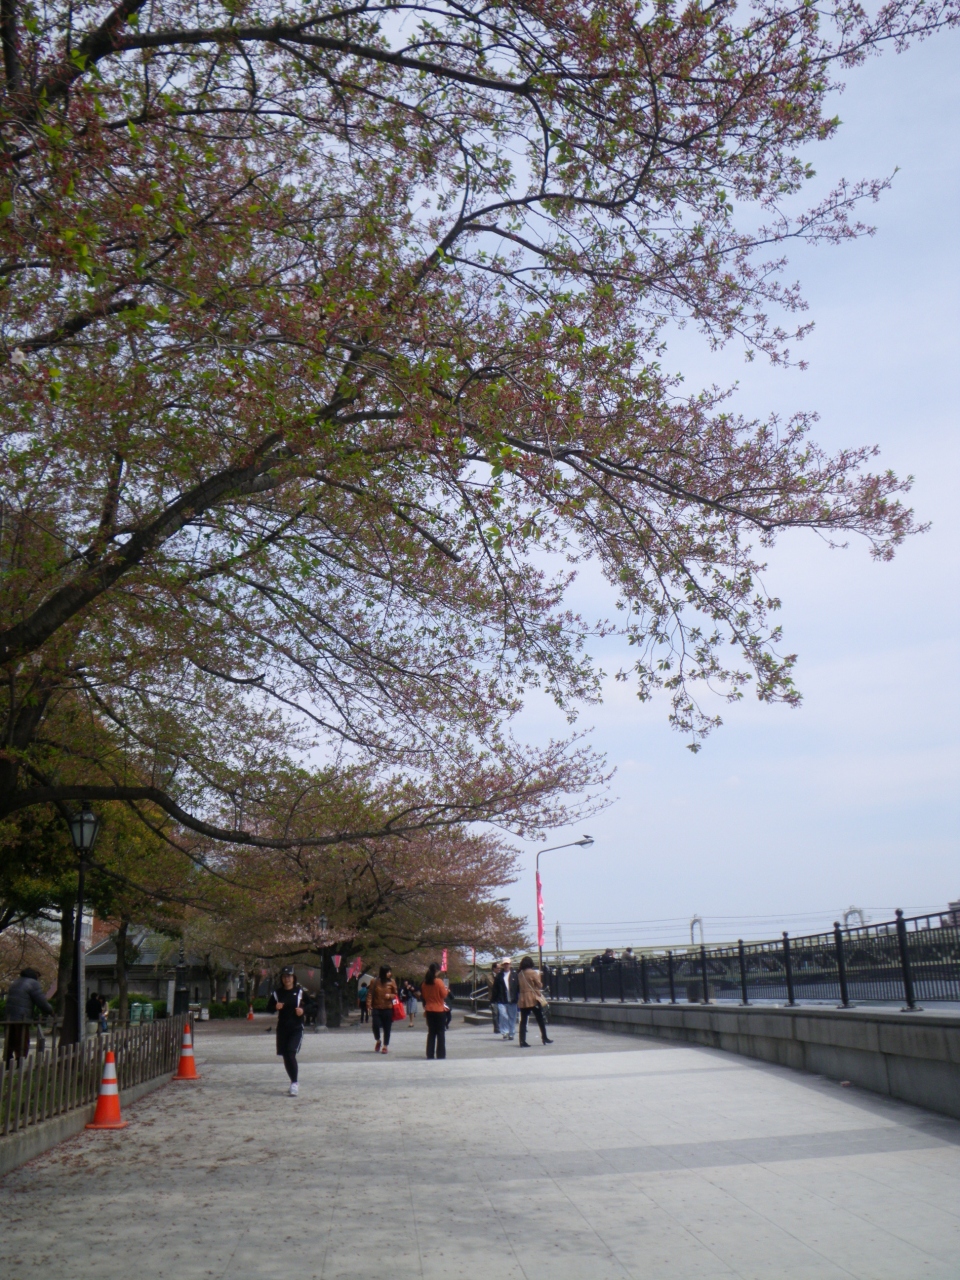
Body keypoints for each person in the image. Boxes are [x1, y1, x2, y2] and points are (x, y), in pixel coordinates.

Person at [266, 966, 306, 1095]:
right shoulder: (277, 993)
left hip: (296, 1027)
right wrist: (275, 1007)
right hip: (283, 1028)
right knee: (285, 1056)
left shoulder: (299, 992)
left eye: (289, 976)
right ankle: (292, 1080)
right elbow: (268, 1008)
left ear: (293, 978)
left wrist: (302, 1010)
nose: (286, 979)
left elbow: (312, 1005)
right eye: (284, 977)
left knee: (290, 1052)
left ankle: (295, 1083)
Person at [4, 968, 53, 1064]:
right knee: (22, 1040)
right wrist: (50, 1011)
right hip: (22, 1017)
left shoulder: (16, 982)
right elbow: (41, 1001)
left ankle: (7, 1060)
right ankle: (20, 1060)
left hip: (9, 1016)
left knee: (10, 1038)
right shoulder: (33, 983)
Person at [517, 956, 553, 1047]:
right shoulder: (532, 972)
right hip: (533, 998)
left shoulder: (520, 974)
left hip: (523, 998)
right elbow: (539, 985)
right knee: (540, 1018)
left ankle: (522, 1041)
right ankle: (544, 1037)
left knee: (523, 1021)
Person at [367, 965, 398, 1054]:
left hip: (388, 1008)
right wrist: (368, 1004)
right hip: (376, 1007)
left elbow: (396, 994)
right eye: (388, 972)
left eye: (390, 972)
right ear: (383, 972)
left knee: (387, 1028)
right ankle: (378, 1040)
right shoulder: (374, 981)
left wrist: (390, 996)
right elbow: (370, 993)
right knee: (375, 1025)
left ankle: (385, 1045)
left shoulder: (392, 982)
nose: (389, 973)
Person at [421, 963, 448, 1059]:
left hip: (429, 1010)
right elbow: (444, 995)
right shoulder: (439, 982)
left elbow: (424, 996)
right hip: (439, 1010)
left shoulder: (424, 983)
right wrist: (447, 990)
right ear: (436, 971)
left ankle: (430, 1053)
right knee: (440, 1033)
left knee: (431, 1032)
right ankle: (440, 1054)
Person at [491, 958, 519, 1041]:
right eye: (505, 964)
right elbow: (495, 988)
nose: (506, 965)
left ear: (510, 964)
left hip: (512, 999)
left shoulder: (515, 975)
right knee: (503, 1015)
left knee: (512, 1017)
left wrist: (519, 997)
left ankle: (511, 1033)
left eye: (507, 964)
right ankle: (505, 1032)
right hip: (501, 999)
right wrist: (493, 1000)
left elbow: (518, 987)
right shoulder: (499, 976)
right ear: (503, 965)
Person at [487, 963, 501, 1034]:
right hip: (493, 997)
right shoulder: (489, 976)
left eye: (500, 968)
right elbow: (492, 985)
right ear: (494, 968)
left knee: (501, 1013)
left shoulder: (501, 975)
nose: (499, 970)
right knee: (495, 1013)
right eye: (498, 968)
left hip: (501, 997)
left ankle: (500, 1026)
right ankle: (496, 1028)